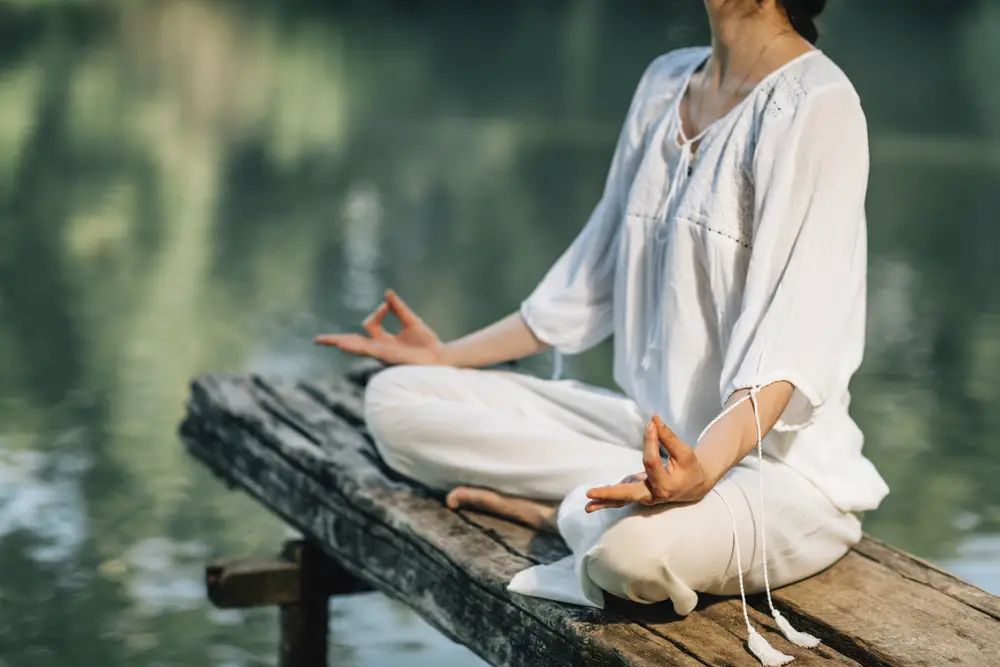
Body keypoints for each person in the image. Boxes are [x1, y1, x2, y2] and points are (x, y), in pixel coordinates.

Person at [316, 0, 889, 664]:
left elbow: (793, 344)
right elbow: (590, 282)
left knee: (633, 557)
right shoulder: (663, 84)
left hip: (776, 475)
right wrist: (449, 356)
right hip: (645, 435)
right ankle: (597, 502)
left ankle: (565, 513)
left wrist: (703, 470)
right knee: (397, 399)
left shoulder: (818, 104)